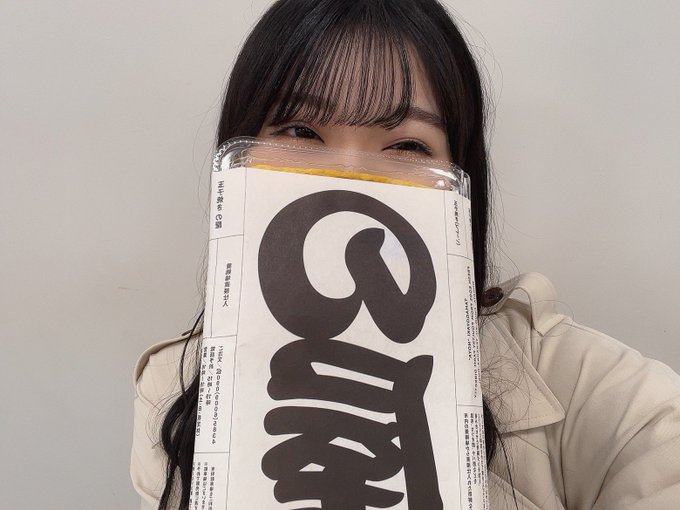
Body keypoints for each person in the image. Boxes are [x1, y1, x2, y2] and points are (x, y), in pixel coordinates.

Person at [130, 1, 680, 508]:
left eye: (407, 146)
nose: (348, 179)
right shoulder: (174, 390)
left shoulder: (609, 403)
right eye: (300, 131)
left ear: (461, 182)